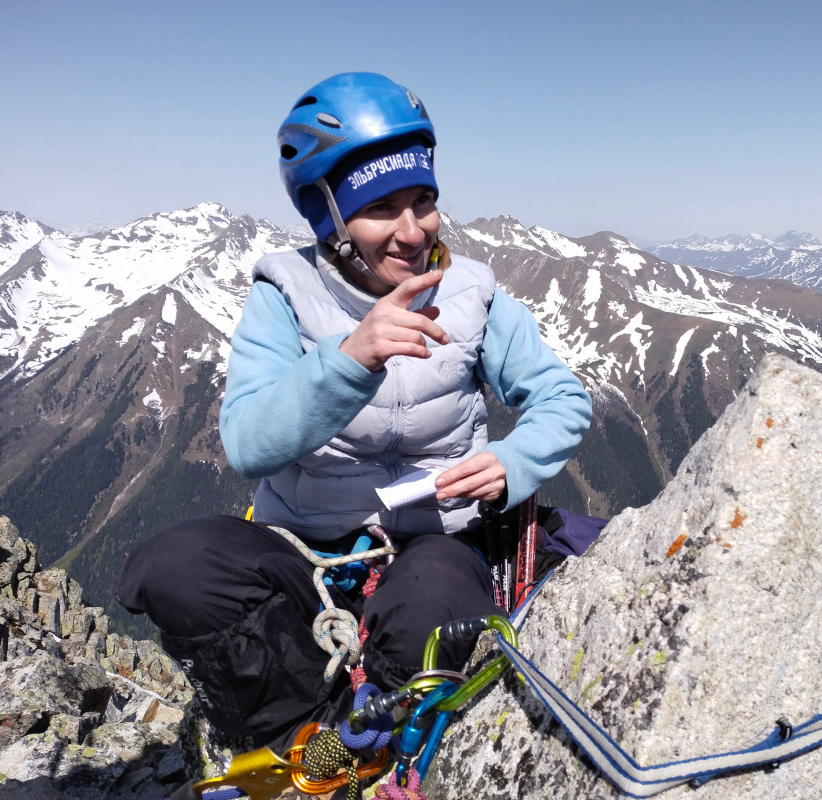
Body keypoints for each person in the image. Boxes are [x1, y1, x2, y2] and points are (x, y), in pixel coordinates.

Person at [117, 72, 591, 745]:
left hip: (439, 539)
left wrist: (513, 461)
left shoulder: (471, 293)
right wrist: (347, 362)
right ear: (327, 215)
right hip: (305, 545)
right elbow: (248, 441)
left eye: (423, 200)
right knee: (174, 569)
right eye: (380, 208)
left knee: (433, 601)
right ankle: (298, 742)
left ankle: (365, 747)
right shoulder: (283, 293)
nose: (412, 230)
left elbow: (562, 395)